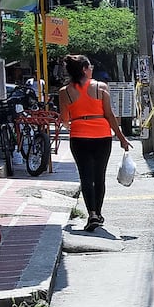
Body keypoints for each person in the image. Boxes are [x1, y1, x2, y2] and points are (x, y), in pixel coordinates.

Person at [58, 55, 131, 231]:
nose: (91, 69)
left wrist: (74, 122)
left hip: (78, 137)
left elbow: (65, 119)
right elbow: (110, 115)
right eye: (89, 66)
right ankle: (97, 213)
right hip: (102, 137)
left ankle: (91, 214)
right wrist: (121, 138)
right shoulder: (101, 87)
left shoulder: (64, 92)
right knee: (99, 177)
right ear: (84, 69)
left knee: (85, 177)